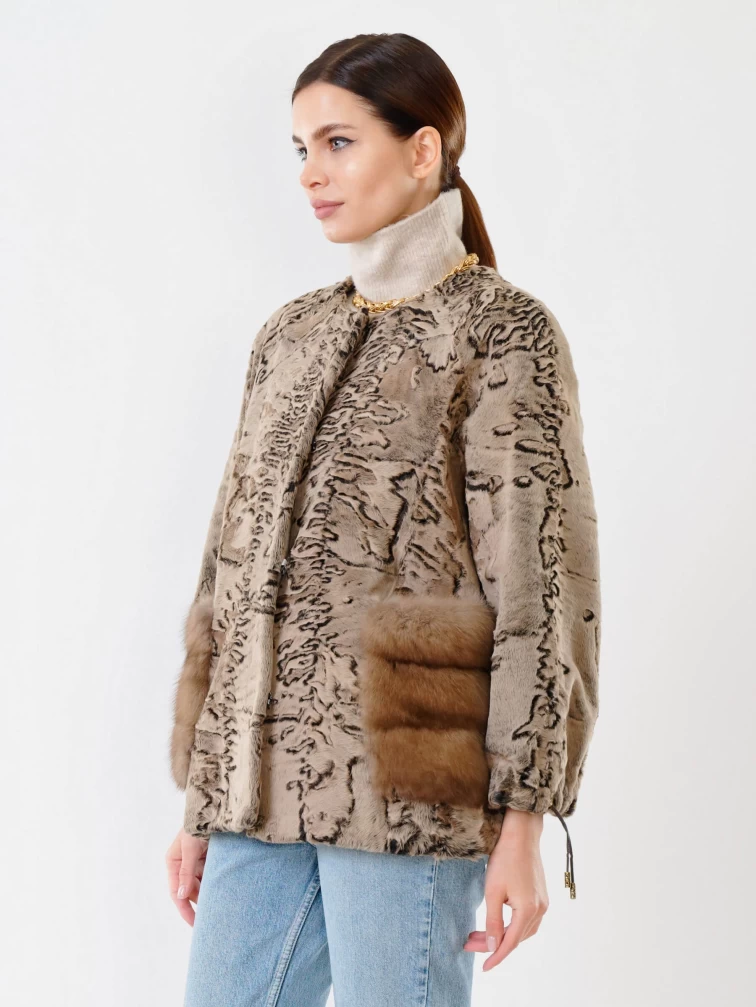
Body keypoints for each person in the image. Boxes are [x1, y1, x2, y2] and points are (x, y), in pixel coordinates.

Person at [165, 32, 601, 1007]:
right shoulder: (291, 335)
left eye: (338, 142)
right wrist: (204, 795)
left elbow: (541, 585)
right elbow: (227, 571)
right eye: (300, 148)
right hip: (257, 791)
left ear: (422, 150)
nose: (311, 174)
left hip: (413, 791)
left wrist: (524, 819)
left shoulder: (503, 333)